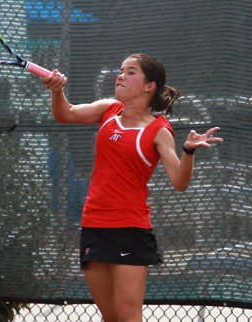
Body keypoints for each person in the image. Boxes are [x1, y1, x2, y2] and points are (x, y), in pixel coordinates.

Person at [42, 53, 223, 322]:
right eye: (121, 70)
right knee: (111, 317)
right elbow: (65, 114)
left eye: (130, 72)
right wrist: (58, 91)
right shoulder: (108, 109)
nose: (120, 76)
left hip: (130, 229)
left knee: (128, 315)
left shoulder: (159, 130)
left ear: (150, 86)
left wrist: (187, 151)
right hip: (94, 225)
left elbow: (179, 182)